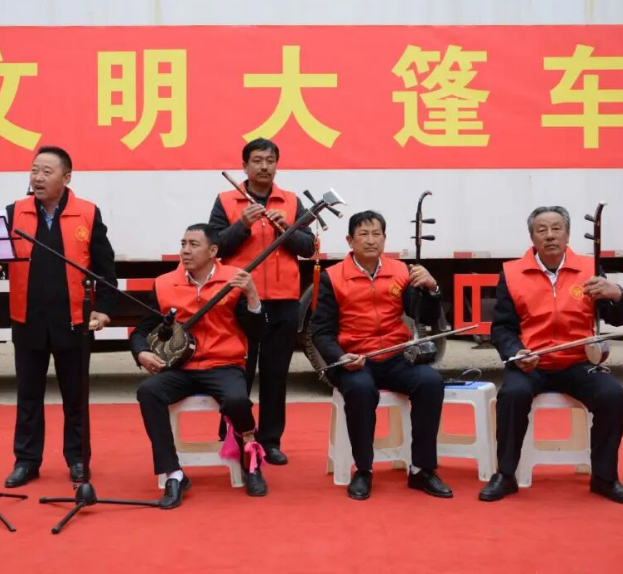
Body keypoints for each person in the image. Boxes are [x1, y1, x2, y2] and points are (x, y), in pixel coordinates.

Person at [0, 146, 116, 488]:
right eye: (34, 171)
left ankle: (78, 459)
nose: (37, 178)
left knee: (75, 397)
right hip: (28, 319)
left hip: (74, 320)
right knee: (28, 396)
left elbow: (105, 267)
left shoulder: (88, 213)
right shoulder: (14, 212)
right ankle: (26, 461)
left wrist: (103, 308)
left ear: (66, 178)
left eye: (46, 172)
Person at [479, 206, 623, 504]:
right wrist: (515, 352)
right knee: (511, 395)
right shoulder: (512, 273)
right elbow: (502, 328)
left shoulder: (590, 269)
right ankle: (506, 475)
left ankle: (604, 478)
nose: (550, 236)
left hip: (578, 362)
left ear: (568, 234)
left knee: (613, 396)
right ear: (532, 237)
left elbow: (620, 318)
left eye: (556, 229)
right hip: (533, 363)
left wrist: (616, 294)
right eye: (542, 230)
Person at [310, 210, 452, 501]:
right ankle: (364, 469)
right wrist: (341, 356)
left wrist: (432, 288)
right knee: (361, 390)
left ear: (385, 239)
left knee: (430, 382)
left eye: (377, 234)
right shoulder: (332, 277)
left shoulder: (400, 271)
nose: (371, 240)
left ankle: (422, 469)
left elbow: (423, 315)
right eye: (363, 234)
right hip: (355, 359)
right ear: (350, 240)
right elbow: (320, 332)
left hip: (395, 355)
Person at [131, 224, 269, 509]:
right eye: (183, 244)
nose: (185, 250)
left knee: (237, 400)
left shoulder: (234, 280)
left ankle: (250, 457)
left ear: (213, 251)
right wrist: (142, 353)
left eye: (193, 244)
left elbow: (258, 333)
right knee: (148, 392)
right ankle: (174, 473)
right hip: (180, 367)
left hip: (224, 363)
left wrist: (253, 296)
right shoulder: (164, 283)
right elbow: (142, 330)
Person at [208, 138, 316, 465]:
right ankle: (235, 434)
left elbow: (308, 248)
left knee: (275, 373)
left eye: (270, 160)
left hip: (283, 301)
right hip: (240, 300)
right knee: (237, 372)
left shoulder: (291, 201)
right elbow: (215, 247)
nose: (264, 166)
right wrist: (242, 225)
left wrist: (287, 230)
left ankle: (270, 440)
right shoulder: (226, 200)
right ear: (245, 166)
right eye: (257, 160)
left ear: (276, 165)